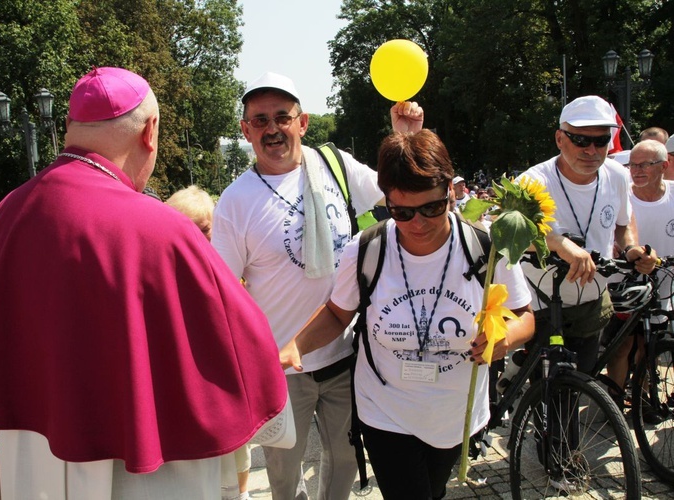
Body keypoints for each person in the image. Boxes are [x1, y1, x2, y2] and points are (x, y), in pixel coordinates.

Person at [0, 67, 287, 499]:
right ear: (150, 131)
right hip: (146, 462)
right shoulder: (161, 229)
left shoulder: (3, 219)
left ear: (71, 128)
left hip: (34, 455)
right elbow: (236, 343)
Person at [280, 129, 534, 500]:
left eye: (431, 208)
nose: (418, 224)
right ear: (387, 201)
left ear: (450, 190)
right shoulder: (366, 250)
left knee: (432, 490)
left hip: (453, 413)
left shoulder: (486, 247)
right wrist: (295, 347)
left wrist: (505, 338)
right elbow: (337, 314)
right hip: (385, 409)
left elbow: (525, 317)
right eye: (401, 212)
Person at [211, 71, 423, 500]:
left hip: (347, 354)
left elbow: (402, 192)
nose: (272, 129)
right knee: (284, 472)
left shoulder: (336, 165)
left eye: (282, 117)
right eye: (259, 120)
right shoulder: (236, 200)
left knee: (345, 461)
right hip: (283, 366)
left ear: (303, 122)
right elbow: (222, 290)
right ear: (245, 130)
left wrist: (408, 140)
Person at [518, 95, 657, 375]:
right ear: (559, 138)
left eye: (601, 141)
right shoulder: (533, 180)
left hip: (592, 303)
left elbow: (622, 220)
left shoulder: (617, 174)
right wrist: (558, 243)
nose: (591, 150)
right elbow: (510, 232)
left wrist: (631, 248)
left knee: (582, 380)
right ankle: (514, 376)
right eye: (581, 140)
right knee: (546, 390)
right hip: (543, 302)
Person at [165, 185, 252, 500]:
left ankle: (241, 493)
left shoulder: (231, 267)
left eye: (203, 229)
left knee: (238, 449)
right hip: (188, 380)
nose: (196, 238)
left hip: (226, 377)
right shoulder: (164, 269)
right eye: (185, 229)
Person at [605, 139, 673, 412]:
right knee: (622, 346)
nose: (637, 170)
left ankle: (644, 397)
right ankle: (614, 402)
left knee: (650, 347)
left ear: (664, 166)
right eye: (633, 164)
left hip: (662, 286)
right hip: (625, 286)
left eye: (646, 164)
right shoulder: (624, 199)